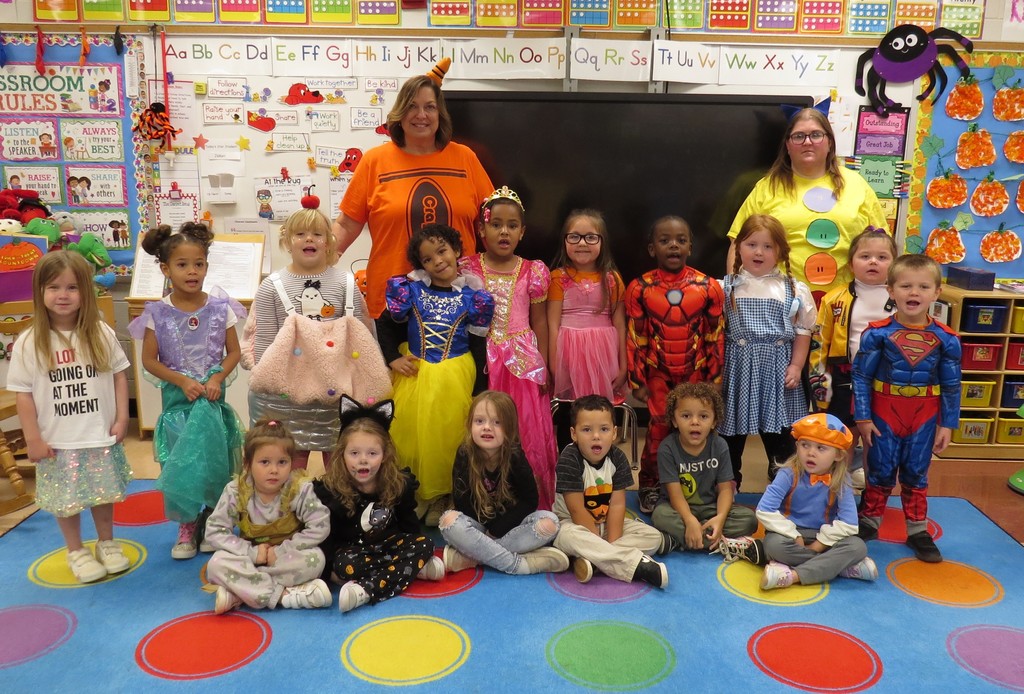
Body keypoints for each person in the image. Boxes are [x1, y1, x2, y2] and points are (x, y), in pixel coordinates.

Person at [334, 58, 493, 319]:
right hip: (394, 304)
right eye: (412, 106)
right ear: (399, 113)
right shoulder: (374, 161)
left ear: (440, 114)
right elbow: (346, 225)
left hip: (459, 301)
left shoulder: (465, 158)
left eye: (430, 107)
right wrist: (317, 265)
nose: (421, 115)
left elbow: (491, 223)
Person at [7, 252, 132, 583]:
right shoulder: (29, 342)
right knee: (67, 499)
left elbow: (119, 376)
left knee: (103, 493)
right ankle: (76, 550)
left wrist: (122, 417)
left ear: (85, 292)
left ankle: (107, 542)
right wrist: (32, 438)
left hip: (98, 433)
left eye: (72, 287)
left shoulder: (100, 332)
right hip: (58, 441)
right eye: (54, 287)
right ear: (40, 291)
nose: (63, 295)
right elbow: (23, 394)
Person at [129, 222, 246, 560]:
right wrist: (181, 380)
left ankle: (212, 521)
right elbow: (149, 360)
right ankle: (186, 525)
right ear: (166, 269)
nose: (192, 271)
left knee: (214, 462)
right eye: (182, 265)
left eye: (199, 264)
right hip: (178, 406)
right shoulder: (157, 313)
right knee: (182, 464)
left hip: (212, 404)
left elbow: (234, 352)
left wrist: (217, 377)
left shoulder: (220, 308)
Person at [245, 196, 374, 469]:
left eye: (317, 234)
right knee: (290, 465)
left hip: (337, 392)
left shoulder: (346, 283)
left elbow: (363, 338)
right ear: (287, 240)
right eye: (300, 234)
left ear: (328, 241)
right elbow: (264, 344)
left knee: (341, 467)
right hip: (288, 396)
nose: (309, 239)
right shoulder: (271, 287)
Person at [377, 223, 494, 522]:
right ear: (421, 264)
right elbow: (385, 325)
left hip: (456, 376)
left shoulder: (474, 297)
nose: (438, 261)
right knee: (411, 437)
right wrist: (392, 358)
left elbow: (478, 343)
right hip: (415, 376)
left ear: (456, 250)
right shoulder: (410, 290)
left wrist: (480, 389)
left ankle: (445, 496)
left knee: (450, 436)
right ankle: (416, 494)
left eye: (442, 251)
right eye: (428, 259)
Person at [853, 254, 961, 563]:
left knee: (916, 471)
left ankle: (917, 530)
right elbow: (861, 377)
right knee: (880, 467)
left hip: (924, 414)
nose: (914, 293)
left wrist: (947, 424)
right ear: (891, 290)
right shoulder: (877, 334)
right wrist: (863, 417)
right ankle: (869, 520)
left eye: (923, 286)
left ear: (937, 292)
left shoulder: (947, 340)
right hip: (885, 410)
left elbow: (952, 385)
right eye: (905, 286)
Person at [726, 102, 886, 301]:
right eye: (799, 136)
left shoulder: (857, 185)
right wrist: (735, 296)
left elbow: (882, 244)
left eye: (816, 135)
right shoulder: (768, 187)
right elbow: (738, 241)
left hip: (845, 305)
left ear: (829, 142)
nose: (807, 142)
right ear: (788, 145)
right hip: (780, 304)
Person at [461, 186, 558, 510]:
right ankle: (484, 498)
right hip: (481, 359)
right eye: (496, 224)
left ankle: (529, 502)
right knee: (483, 425)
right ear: (481, 229)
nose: (504, 231)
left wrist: (544, 364)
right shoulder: (467, 269)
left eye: (512, 225)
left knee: (525, 428)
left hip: (523, 362)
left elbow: (540, 322)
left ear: (522, 232)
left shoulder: (534, 271)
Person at [626, 216, 725, 514]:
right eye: (665, 240)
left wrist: (714, 379)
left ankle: (697, 487)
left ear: (690, 247)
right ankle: (650, 485)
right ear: (652, 248)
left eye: (681, 240)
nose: (673, 246)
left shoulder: (708, 287)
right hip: (658, 374)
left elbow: (715, 335)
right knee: (658, 431)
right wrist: (637, 381)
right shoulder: (639, 288)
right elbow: (636, 337)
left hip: (695, 374)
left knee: (695, 431)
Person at [313, 397, 445, 614]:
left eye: (372, 453)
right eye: (354, 453)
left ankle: (366, 589)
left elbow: (409, 524)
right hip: (353, 552)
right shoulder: (332, 490)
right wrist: (328, 573)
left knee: (426, 544)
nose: (363, 460)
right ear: (342, 455)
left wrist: (420, 549)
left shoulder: (397, 483)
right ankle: (409, 568)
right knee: (345, 565)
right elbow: (327, 537)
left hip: (387, 545)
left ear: (384, 455)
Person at [718, 413, 877, 590]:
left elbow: (849, 523)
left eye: (821, 448)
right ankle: (840, 567)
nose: (811, 453)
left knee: (857, 547)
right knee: (773, 546)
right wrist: (794, 535)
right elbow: (764, 509)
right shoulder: (788, 474)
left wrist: (819, 545)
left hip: (825, 538)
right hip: (787, 535)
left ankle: (793, 575)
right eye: (805, 445)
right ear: (797, 446)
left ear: (838, 455)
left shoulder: (841, 480)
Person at [720, 213, 817, 489]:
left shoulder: (794, 289)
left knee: (782, 438)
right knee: (730, 437)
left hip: (778, 371)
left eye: (768, 246)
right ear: (739, 247)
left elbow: (803, 332)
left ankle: (785, 485)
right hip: (738, 371)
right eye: (751, 245)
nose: (759, 252)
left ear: (781, 251)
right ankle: (727, 486)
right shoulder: (725, 287)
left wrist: (796, 366)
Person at [205, 420, 331, 613]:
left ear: (291, 463)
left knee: (316, 559)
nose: (274, 470)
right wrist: (251, 552)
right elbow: (215, 531)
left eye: (282, 462)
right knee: (216, 564)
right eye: (265, 462)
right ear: (248, 464)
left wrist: (281, 551)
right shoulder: (236, 491)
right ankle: (283, 595)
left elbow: (320, 526)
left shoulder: (298, 489)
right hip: (249, 557)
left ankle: (241, 592)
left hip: (285, 556)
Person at [439, 391, 570, 574]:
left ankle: (471, 558)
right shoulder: (465, 453)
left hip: (510, 527)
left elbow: (529, 501)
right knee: (448, 521)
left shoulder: (515, 455)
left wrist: (495, 532)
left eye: (497, 422)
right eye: (479, 421)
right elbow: (462, 501)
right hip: (477, 527)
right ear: (470, 425)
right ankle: (518, 565)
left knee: (550, 522)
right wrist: (486, 531)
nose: (487, 427)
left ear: (510, 428)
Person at [809, 227, 898, 490]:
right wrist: (819, 383)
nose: (873, 262)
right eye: (865, 256)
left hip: (886, 380)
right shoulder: (833, 299)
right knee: (842, 439)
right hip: (843, 379)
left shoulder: (901, 299)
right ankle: (836, 493)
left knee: (875, 441)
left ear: (895, 264)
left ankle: (873, 496)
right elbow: (818, 345)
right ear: (851, 263)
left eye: (882, 257)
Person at [552, 395, 670, 588]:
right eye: (587, 430)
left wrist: (607, 545)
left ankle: (592, 560)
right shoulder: (569, 459)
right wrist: (596, 541)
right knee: (567, 536)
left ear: (614, 433)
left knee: (653, 537)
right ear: (574, 434)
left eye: (604, 429)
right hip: (573, 524)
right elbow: (576, 510)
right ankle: (637, 566)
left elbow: (616, 505)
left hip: (604, 523)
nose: (596, 436)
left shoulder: (618, 458)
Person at [651, 382, 757, 553]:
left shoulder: (720, 445)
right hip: (678, 509)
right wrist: (689, 520)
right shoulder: (667, 448)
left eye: (703, 416)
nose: (695, 422)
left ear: (714, 421)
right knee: (660, 516)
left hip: (711, 508)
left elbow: (725, 489)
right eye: (686, 416)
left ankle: (683, 540)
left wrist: (720, 518)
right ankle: (714, 540)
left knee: (749, 520)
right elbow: (675, 495)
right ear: (674, 421)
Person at [547, 209, 627, 404]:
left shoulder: (612, 279)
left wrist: (623, 365)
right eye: (574, 237)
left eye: (591, 237)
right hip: (569, 353)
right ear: (565, 241)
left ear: (602, 242)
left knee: (601, 407)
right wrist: (554, 365)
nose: (582, 243)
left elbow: (620, 325)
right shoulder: (558, 278)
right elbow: (552, 325)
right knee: (573, 409)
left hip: (603, 354)